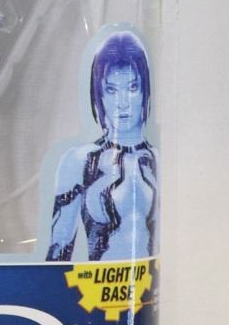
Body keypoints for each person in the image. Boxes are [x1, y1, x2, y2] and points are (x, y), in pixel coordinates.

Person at [46, 31, 157, 262]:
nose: (123, 103)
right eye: (111, 90)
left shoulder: (159, 160)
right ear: (99, 95)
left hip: (147, 282)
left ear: (145, 91)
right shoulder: (80, 161)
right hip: (93, 283)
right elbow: (58, 250)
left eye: (132, 87)